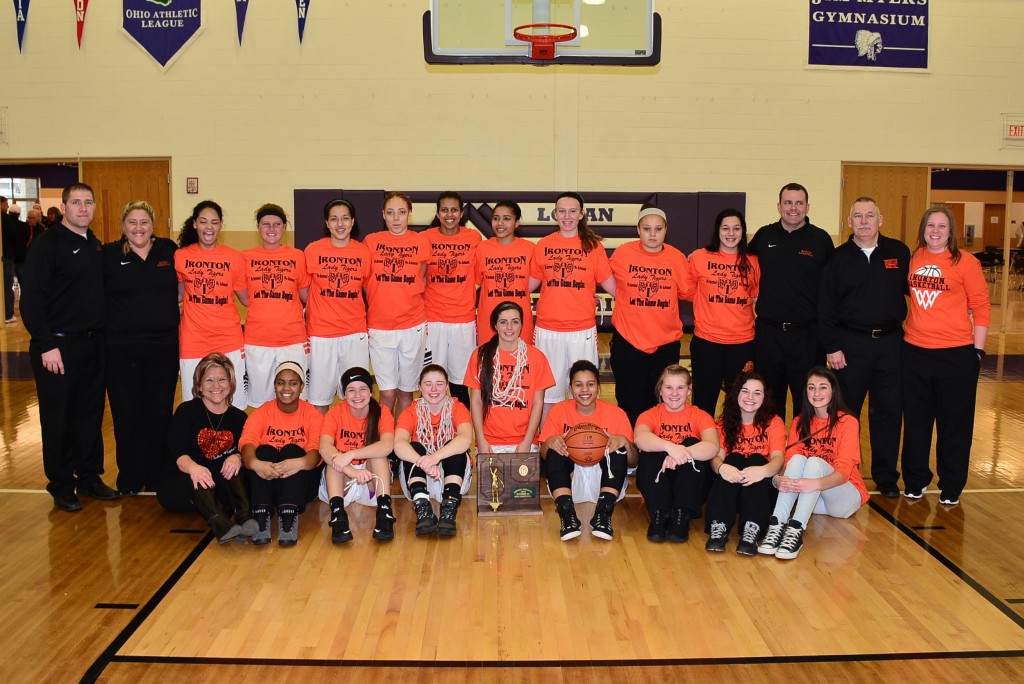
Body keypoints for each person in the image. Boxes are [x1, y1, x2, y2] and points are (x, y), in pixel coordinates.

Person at [20, 182, 119, 511]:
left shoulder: (93, 244)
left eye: (88, 202)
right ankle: (62, 483)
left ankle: (89, 476)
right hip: (57, 348)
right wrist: (46, 344)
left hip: (93, 345)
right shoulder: (47, 246)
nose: (83, 208)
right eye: (76, 202)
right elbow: (31, 302)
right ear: (63, 207)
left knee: (90, 416)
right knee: (58, 417)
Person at [819, 197, 910, 499]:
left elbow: (919, 292)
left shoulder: (899, 252)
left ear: (880, 220)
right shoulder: (837, 258)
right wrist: (832, 347)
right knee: (846, 415)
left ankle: (886, 477)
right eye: (858, 216)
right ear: (849, 222)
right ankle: (845, 472)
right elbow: (826, 306)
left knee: (888, 412)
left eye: (870, 215)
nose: (864, 221)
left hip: (891, 344)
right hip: (850, 345)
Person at [900, 206, 990, 506]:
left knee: (954, 425)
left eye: (941, 226)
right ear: (923, 229)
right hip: (915, 352)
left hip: (956, 355)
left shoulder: (967, 262)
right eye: (930, 226)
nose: (935, 231)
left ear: (950, 231)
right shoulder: (912, 259)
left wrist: (977, 350)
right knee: (916, 422)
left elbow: (981, 307)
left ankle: (951, 485)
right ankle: (915, 480)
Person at [102, 201, 180, 495]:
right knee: (126, 414)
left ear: (153, 225)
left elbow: (185, 286)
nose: (138, 228)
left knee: (159, 413)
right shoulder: (108, 255)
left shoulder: (168, 251)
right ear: (123, 225)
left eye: (144, 222)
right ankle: (130, 477)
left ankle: (158, 475)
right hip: (122, 349)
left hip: (163, 347)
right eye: (132, 222)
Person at [757, 366, 866, 560]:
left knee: (815, 462)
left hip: (844, 498)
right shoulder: (800, 422)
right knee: (798, 459)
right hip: (814, 499)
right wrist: (777, 480)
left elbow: (843, 471)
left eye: (823, 387)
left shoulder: (848, 421)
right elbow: (789, 463)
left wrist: (814, 484)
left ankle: (796, 529)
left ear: (833, 390)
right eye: (811, 387)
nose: (816, 393)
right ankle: (776, 526)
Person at [748, 183, 834, 419]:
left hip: (807, 336)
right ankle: (771, 454)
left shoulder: (821, 240)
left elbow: (833, 287)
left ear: (807, 207)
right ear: (779, 206)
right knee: (768, 403)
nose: (793, 208)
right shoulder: (764, 236)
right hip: (769, 334)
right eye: (788, 202)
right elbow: (736, 260)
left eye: (799, 203)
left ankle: (803, 453)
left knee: (806, 403)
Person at [530, 192, 616, 416]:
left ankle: (585, 441)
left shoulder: (593, 246)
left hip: (582, 330)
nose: (567, 216)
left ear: (581, 214)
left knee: (585, 391)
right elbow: (527, 285)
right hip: (548, 329)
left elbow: (611, 285)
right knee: (549, 394)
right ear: (555, 214)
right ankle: (548, 445)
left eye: (572, 211)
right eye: (562, 211)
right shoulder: (544, 245)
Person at [157, 354, 256, 543]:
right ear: (199, 386)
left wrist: (237, 456)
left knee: (236, 469)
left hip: (220, 487)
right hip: (184, 486)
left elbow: (248, 449)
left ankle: (244, 516)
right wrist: (194, 468)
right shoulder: (186, 411)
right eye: (209, 380)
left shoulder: (239, 418)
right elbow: (177, 453)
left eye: (222, 379)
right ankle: (220, 524)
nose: (216, 385)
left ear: (231, 384)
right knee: (198, 478)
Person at [608, 206, 691, 427]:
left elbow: (690, 291)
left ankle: (657, 450)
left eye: (658, 229)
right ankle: (630, 452)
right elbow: (604, 278)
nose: (652, 234)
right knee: (628, 399)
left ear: (666, 230)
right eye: (647, 228)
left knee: (662, 401)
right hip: (629, 341)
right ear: (638, 229)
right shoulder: (623, 253)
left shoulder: (677, 258)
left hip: (665, 344)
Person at [539, 360, 638, 541]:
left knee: (617, 446)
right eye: (578, 385)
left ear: (598, 388)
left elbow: (633, 461)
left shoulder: (616, 413)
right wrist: (551, 443)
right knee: (555, 446)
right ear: (570, 389)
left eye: (590, 384)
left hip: (605, 481)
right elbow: (545, 455)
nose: (585, 390)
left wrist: (623, 441)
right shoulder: (559, 411)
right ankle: (566, 514)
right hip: (569, 480)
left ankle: (604, 513)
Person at [684, 209, 760, 417]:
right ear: (717, 231)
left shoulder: (753, 261)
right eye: (725, 228)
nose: (730, 233)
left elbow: (755, 296)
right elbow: (689, 291)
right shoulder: (699, 257)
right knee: (703, 400)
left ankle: (735, 445)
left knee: (740, 402)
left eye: (736, 228)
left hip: (742, 344)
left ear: (743, 232)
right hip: (707, 342)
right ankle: (702, 445)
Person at [240, 361, 324, 546]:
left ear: (302, 387)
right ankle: (261, 515)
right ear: (275, 385)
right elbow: (246, 444)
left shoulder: (312, 414)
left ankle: (289, 515)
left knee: (292, 450)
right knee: (263, 450)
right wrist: (256, 464)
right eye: (281, 382)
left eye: (293, 383)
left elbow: (316, 453)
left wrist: (299, 462)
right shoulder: (262, 413)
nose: (286, 388)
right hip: (267, 482)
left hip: (300, 485)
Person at [633, 365, 719, 544]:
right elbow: (639, 438)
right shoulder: (649, 414)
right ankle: (659, 514)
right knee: (651, 448)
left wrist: (683, 452)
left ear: (689, 390)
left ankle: (681, 515)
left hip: (689, 483)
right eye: (668, 387)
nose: (674, 393)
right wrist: (670, 447)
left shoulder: (700, 416)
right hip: (660, 479)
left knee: (692, 443)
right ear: (660, 390)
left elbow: (712, 446)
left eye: (680, 387)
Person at [175, 200, 249, 409]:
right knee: (193, 404)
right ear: (194, 224)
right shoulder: (181, 256)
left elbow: (246, 299)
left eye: (214, 222)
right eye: (203, 221)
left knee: (234, 402)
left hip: (228, 339)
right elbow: (179, 292)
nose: (209, 227)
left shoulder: (234, 257)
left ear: (221, 225)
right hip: (193, 339)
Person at [364, 192, 431, 418]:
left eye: (401, 212)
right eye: (390, 213)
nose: (396, 218)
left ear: (409, 215)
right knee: (387, 393)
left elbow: (420, 279)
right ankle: (383, 441)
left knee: (406, 393)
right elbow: (365, 282)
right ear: (383, 215)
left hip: (412, 326)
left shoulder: (421, 242)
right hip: (381, 327)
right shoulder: (371, 242)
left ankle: (400, 446)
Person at [704, 371, 785, 554]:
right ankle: (719, 525)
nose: (750, 397)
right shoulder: (724, 422)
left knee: (757, 459)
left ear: (765, 397)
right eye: (745, 391)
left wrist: (763, 471)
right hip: (731, 490)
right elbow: (716, 457)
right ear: (736, 394)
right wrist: (721, 467)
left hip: (759, 493)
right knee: (733, 459)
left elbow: (778, 459)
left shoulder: (774, 422)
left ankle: (752, 527)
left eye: (757, 393)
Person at [304, 199, 372, 413]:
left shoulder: (364, 252)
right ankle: (319, 445)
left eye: (344, 218)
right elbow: (304, 291)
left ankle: (352, 444)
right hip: (321, 335)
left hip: (354, 335)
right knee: (319, 399)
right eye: (334, 218)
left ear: (352, 222)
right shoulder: (313, 250)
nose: (339, 224)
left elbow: (371, 291)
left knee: (356, 397)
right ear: (327, 222)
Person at [241, 203, 311, 407]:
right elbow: (246, 299)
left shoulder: (297, 256)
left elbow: (305, 295)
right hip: (257, 341)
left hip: (292, 341)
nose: (271, 229)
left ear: (284, 227)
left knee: (294, 400)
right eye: (266, 224)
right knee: (260, 403)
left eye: (276, 224)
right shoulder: (245, 257)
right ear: (258, 227)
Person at [318, 367, 397, 543]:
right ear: (344, 394)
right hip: (342, 480)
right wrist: (351, 469)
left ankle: (384, 512)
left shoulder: (382, 412)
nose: (357, 395)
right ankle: (338, 515)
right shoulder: (335, 413)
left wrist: (351, 454)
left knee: (377, 455)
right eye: (351, 390)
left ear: (371, 391)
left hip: (371, 483)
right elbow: (324, 448)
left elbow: (387, 445)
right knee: (334, 459)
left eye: (362, 389)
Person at [465, 301, 555, 454]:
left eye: (515, 322)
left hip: (524, 442)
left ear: (521, 325)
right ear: (495, 325)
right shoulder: (480, 355)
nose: (509, 327)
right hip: (489, 442)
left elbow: (538, 404)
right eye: (503, 322)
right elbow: (476, 401)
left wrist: (527, 441)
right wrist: (480, 440)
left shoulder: (537, 357)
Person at [394, 364, 474, 537]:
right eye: (428, 383)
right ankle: (422, 507)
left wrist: (434, 457)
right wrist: (424, 461)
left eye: (439, 383)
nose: (434, 389)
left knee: (455, 446)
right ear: (419, 387)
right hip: (420, 476)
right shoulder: (411, 411)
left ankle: (449, 510)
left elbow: (466, 439)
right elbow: (398, 444)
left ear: (447, 386)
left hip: (452, 477)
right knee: (413, 447)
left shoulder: (457, 407)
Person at [423, 191, 481, 408]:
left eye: (454, 209)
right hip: (433, 319)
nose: (449, 214)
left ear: (462, 213)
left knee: (459, 384)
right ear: (438, 213)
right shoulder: (425, 238)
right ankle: (428, 433)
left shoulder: (473, 237)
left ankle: (463, 437)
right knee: (431, 382)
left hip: (462, 321)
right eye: (444, 210)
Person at [475, 200, 535, 348]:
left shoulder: (530, 249)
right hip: (489, 321)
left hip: (520, 320)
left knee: (521, 366)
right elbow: (479, 281)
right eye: (496, 218)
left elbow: (535, 283)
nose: (500, 223)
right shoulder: (481, 248)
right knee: (490, 366)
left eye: (506, 218)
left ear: (516, 223)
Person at [1, 195, 18, 323]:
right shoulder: (5, 218)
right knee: (8, 286)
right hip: (6, 256)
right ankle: (8, 315)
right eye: (6, 204)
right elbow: (13, 236)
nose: (7, 207)